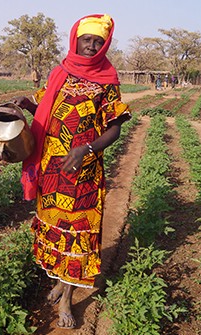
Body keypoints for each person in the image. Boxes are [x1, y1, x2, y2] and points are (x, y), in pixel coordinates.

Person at [11, 14, 131, 329]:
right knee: (56, 229)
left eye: (98, 42)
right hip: (52, 170)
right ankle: (60, 282)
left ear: (105, 45)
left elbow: (115, 128)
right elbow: (46, 109)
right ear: (75, 39)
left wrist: (86, 149)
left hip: (83, 172)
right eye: (87, 40)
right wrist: (27, 102)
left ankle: (67, 298)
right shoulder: (60, 73)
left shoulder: (107, 80)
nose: (91, 46)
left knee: (78, 235)